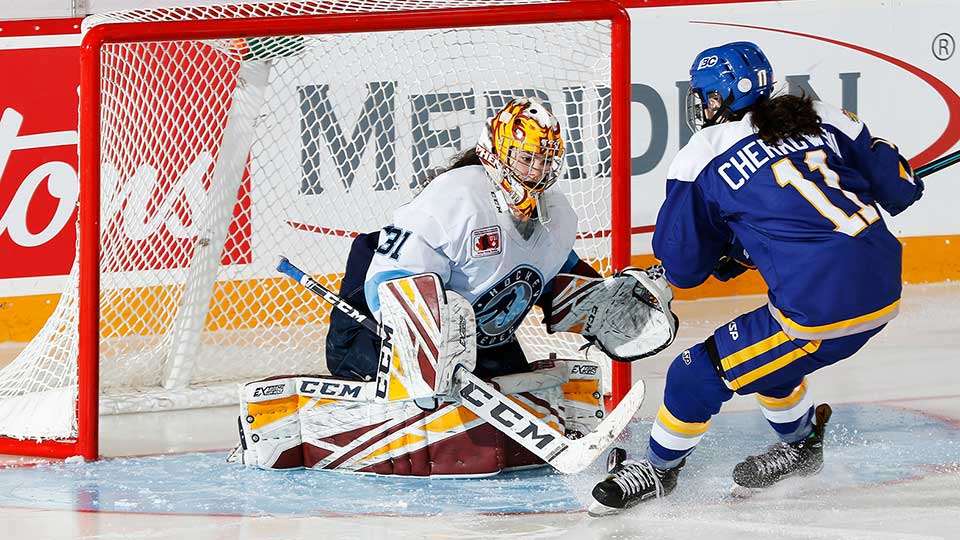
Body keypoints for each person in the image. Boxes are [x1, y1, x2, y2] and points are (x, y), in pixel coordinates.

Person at [590, 41, 924, 515]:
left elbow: (683, 266)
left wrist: (729, 249)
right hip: (884, 283)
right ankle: (801, 444)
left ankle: (658, 470)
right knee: (768, 357)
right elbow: (900, 190)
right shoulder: (820, 115)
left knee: (692, 374)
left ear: (720, 98)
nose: (702, 107)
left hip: (820, 310)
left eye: (705, 96)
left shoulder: (703, 152)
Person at [324, 96, 601, 382]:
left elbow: (556, 275)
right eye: (527, 158)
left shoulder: (554, 214)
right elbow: (389, 284)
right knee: (436, 385)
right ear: (499, 154)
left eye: (545, 160)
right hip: (375, 329)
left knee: (520, 389)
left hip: (472, 341)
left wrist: (604, 304)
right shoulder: (457, 199)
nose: (536, 172)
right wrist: (424, 354)